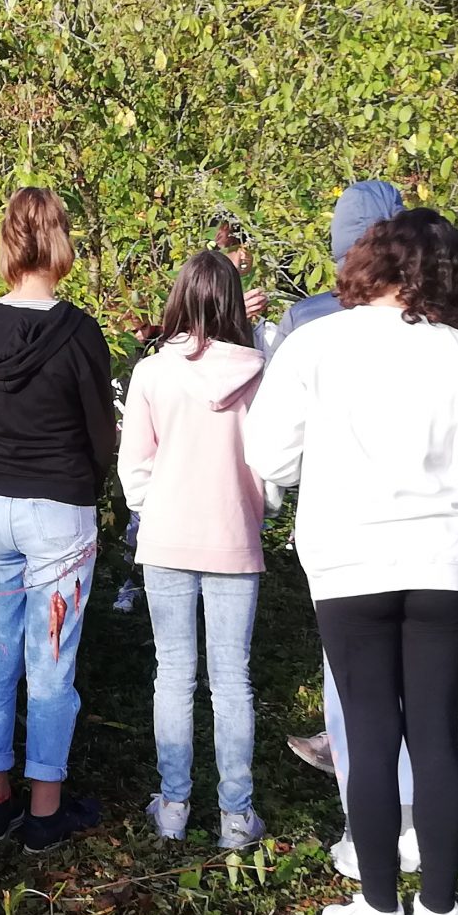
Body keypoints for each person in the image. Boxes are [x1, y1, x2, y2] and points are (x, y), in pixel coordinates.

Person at [246, 210, 458, 915]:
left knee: (367, 735)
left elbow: (269, 455)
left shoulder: (317, 343)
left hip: (350, 560)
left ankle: (377, 912)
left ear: (372, 261)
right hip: (439, 563)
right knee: (434, 734)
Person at [0, 188, 116, 853]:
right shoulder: (79, 332)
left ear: (8, 243)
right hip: (59, 508)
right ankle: (44, 812)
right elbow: (100, 433)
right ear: (60, 244)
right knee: (51, 662)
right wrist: (88, 487)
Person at [271, 181, 420, 888]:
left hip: (341, 534)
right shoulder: (441, 326)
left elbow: (275, 446)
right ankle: (415, 825)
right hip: (424, 533)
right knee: (415, 688)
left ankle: (367, 834)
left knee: (349, 684)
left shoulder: (307, 323)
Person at [119, 250, 271, 850]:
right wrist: (258, 510)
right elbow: (271, 465)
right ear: (234, 302)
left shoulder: (153, 373)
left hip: (166, 537)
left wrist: (153, 510)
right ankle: (236, 815)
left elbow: (135, 466)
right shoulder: (259, 372)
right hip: (234, 536)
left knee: (174, 674)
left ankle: (174, 806)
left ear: (179, 298)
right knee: (232, 680)